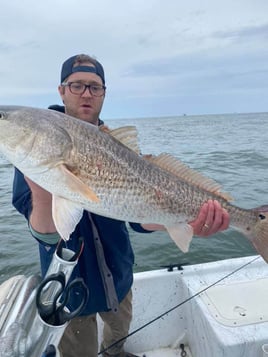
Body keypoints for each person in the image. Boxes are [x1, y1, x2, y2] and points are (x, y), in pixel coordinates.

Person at [12, 54, 230, 357]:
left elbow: (139, 219)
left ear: (104, 93)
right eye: (77, 86)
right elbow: (48, 234)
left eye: (95, 87)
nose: (86, 93)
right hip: (69, 287)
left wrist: (186, 221)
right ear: (61, 91)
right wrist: (43, 188)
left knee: (117, 342)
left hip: (119, 277)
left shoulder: (117, 146)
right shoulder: (37, 151)